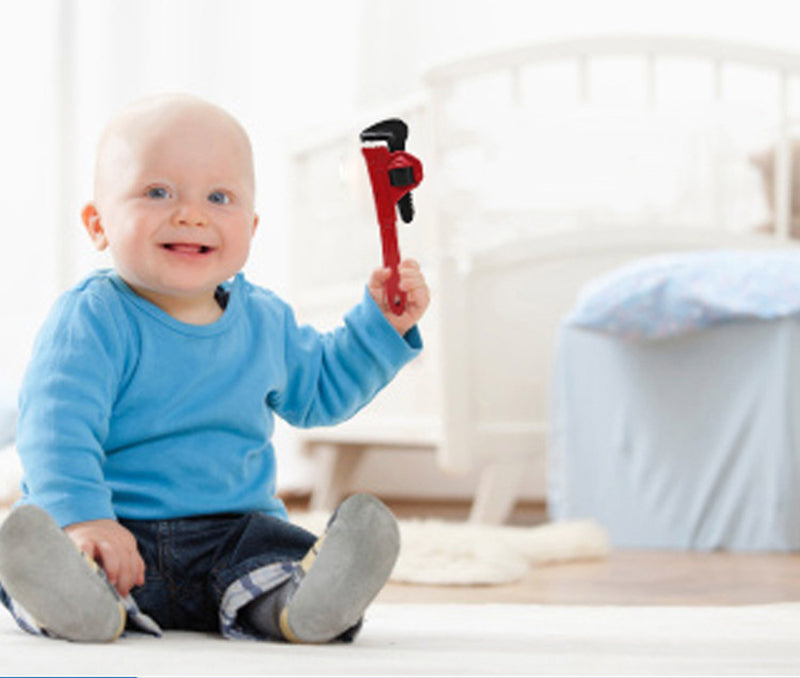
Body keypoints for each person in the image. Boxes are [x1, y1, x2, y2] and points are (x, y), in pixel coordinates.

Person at [0, 94, 429, 644]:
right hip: (114, 529)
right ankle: (78, 603)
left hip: (231, 535)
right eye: (158, 192)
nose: (192, 213)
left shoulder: (265, 320)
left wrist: (380, 328)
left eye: (219, 197)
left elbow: (322, 388)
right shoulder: (93, 318)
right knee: (53, 558)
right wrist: (84, 518)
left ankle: (295, 605)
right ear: (97, 223)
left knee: (272, 555)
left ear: (250, 227)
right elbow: (56, 431)